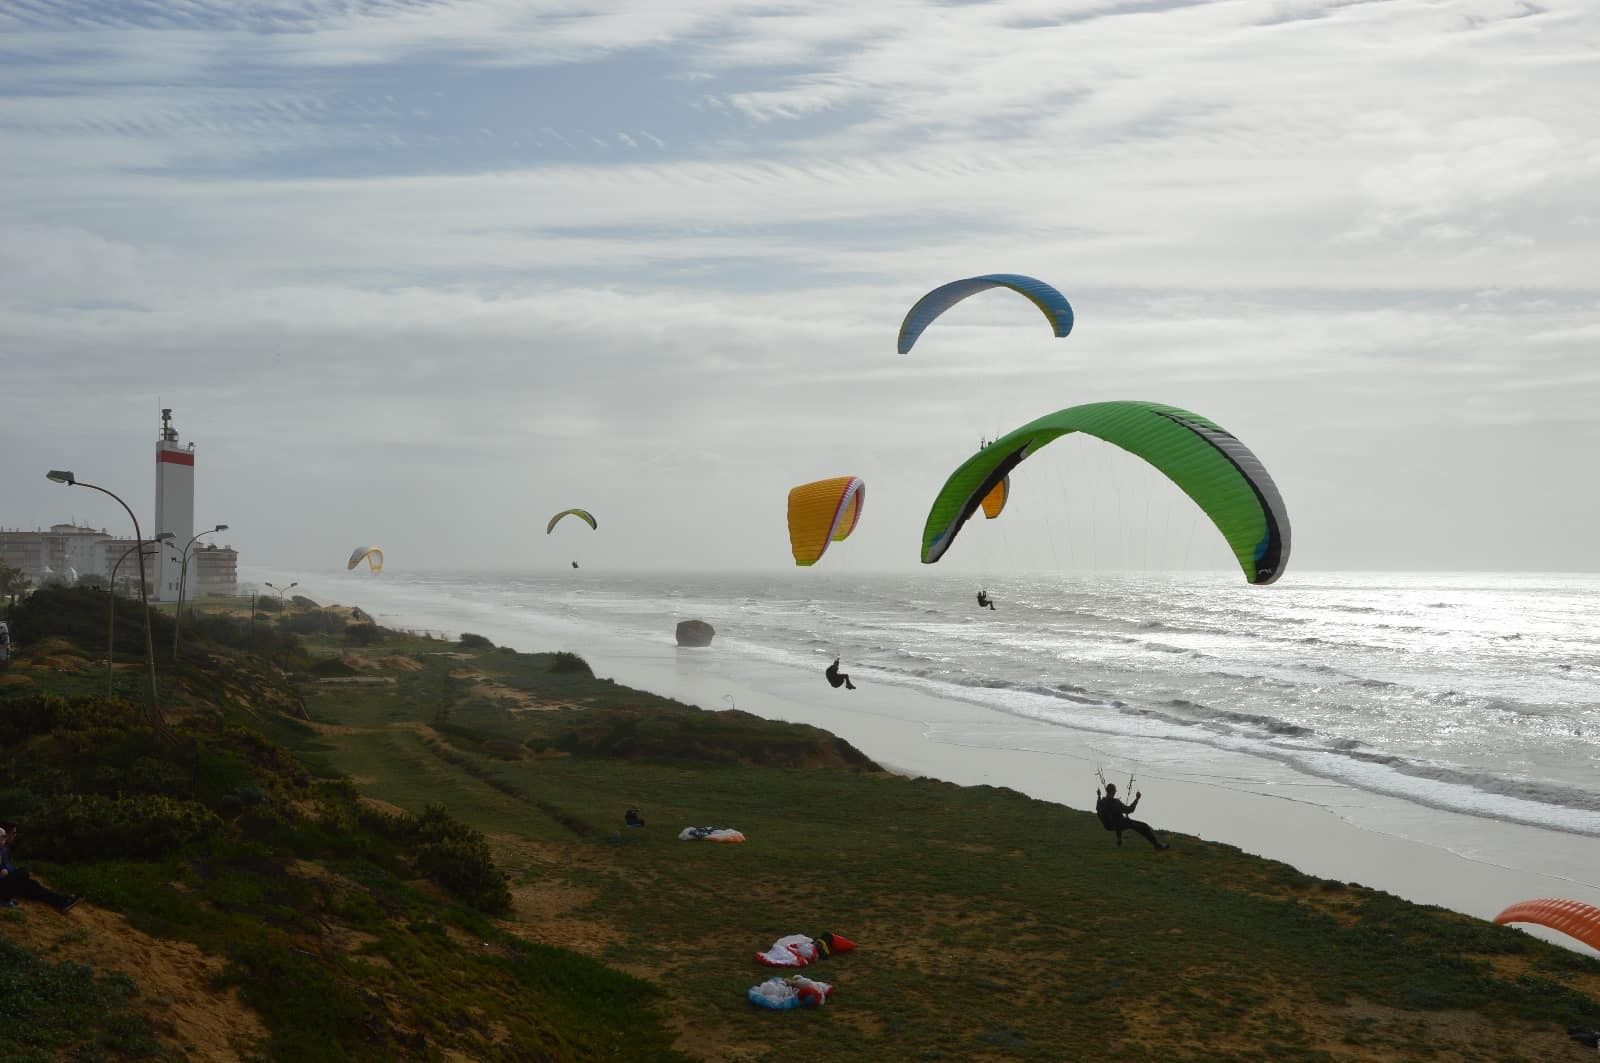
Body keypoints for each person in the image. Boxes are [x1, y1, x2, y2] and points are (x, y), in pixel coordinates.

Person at [0, 826, 80, 912]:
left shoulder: (3, 850)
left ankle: (62, 901)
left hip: (7, 883)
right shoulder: (3, 850)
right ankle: (4, 900)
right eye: (13, 833)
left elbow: (7, 868)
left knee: (33, 886)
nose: (15, 836)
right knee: (22, 873)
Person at [1094, 783, 1169, 850]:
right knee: (1144, 826)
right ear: (1113, 791)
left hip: (1108, 826)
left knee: (1117, 817)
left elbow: (1098, 808)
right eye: (1115, 791)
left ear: (1107, 791)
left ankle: (1119, 840)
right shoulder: (1116, 802)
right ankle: (1157, 845)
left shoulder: (1101, 802)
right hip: (1117, 823)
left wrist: (1099, 796)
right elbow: (1130, 810)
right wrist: (1137, 798)